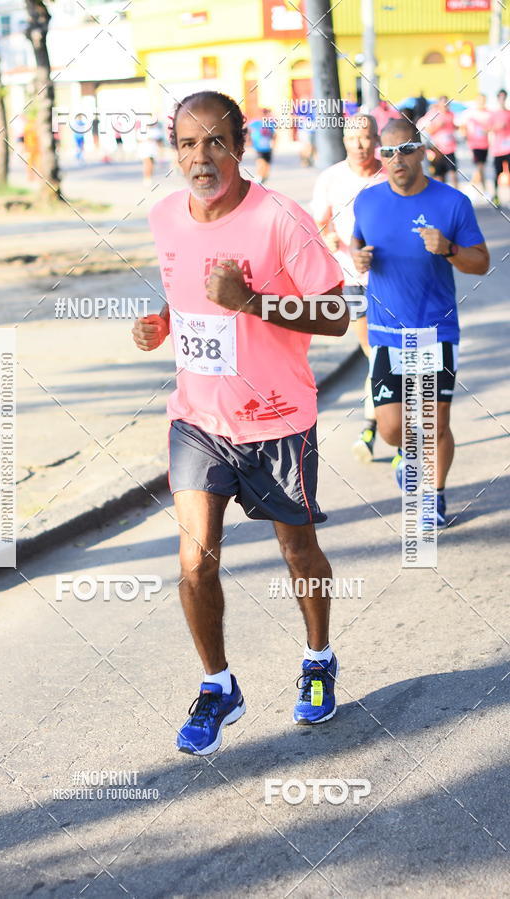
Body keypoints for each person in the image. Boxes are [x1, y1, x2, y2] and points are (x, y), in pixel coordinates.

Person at [132, 90, 347, 755]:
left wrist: (253, 300)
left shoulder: (282, 219)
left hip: (278, 419)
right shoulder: (165, 215)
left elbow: (337, 317)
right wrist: (160, 323)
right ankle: (218, 684)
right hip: (198, 419)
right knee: (195, 562)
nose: (202, 157)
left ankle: (318, 658)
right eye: (189, 144)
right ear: (175, 151)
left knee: (298, 551)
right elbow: (185, 294)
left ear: (241, 143)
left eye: (215, 141)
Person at [351, 118, 490, 527]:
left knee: (435, 423)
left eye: (406, 149)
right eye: (388, 151)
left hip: (434, 330)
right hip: (386, 333)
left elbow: (480, 262)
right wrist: (358, 256)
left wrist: (448, 248)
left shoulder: (452, 203)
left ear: (423, 151)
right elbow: (358, 240)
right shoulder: (367, 201)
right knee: (393, 429)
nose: (397, 159)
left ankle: (434, 496)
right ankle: (409, 455)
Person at [312, 114, 387, 462]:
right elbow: (319, 219)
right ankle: (377, 424)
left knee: (389, 355)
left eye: (367, 137)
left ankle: (374, 427)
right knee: (375, 353)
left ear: (377, 139)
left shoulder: (390, 174)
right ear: (343, 140)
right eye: (353, 138)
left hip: (394, 279)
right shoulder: (331, 178)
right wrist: (327, 235)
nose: (361, 145)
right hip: (354, 281)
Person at [418, 95, 458, 188]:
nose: (445, 105)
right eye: (443, 102)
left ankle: (456, 192)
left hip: (450, 148)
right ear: (439, 103)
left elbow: (454, 128)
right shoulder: (433, 114)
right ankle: (441, 192)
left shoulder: (451, 114)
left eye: (447, 103)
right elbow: (427, 130)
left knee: (453, 172)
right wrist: (438, 126)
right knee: (439, 175)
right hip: (437, 150)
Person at [461, 94, 493, 193]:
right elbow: (463, 126)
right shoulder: (470, 113)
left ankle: (472, 186)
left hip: (485, 144)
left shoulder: (489, 113)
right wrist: (465, 136)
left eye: (483, 100)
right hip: (474, 144)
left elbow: (492, 126)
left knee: (480, 166)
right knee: (480, 167)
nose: (481, 102)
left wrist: (488, 131)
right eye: (480, 100)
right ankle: (484, 189)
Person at [490, 88, 510, 207]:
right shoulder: (494, 114)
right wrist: (497, 127)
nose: (502, 99)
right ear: (498, 98)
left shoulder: (508, 113)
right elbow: (488, 128)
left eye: (504, 97)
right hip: (498, 149)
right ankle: (496, 196)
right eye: (500, 97)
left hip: (508, 148)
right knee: (497, 173)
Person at [248, 109, 276, 183]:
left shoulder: (270, 124)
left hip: (268, 147)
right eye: (263, 113)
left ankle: (263, 177)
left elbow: (274, 135)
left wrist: (274, 143)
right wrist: (249, 141)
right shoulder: (255, 123)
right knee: (260, 163)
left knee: (267, 165)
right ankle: (258, 177)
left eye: (266, 113)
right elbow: (248, 131)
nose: (265, 115)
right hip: (258, 147)